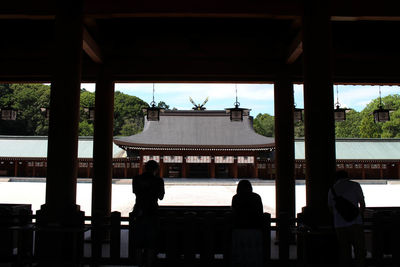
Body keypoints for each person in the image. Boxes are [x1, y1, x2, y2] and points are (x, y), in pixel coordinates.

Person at [328, 170, 366, 267]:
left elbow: (331, 208)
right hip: (355, 222)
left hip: (339, 224)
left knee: (344, 250)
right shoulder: (355, 185)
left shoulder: (332, 189)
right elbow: (362, 203)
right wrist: (359, 216)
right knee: (359, 249)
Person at [132, 160, 165, 267]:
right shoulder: (158, 180)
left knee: (138, 241)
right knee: (151, 241)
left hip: (139, 210)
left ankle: (139, 264)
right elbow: (161, 197)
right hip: (152, 211)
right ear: (156, 169)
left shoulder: (136, 179)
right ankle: (149, 263)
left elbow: (136, 192)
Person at [231, 180, 264, 267]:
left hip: (239, 229)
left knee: (240, 253)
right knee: (254, 253)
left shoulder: (236, 197)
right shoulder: (256, 197)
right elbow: (260, 213)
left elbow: (234, 213)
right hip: (255, 229)